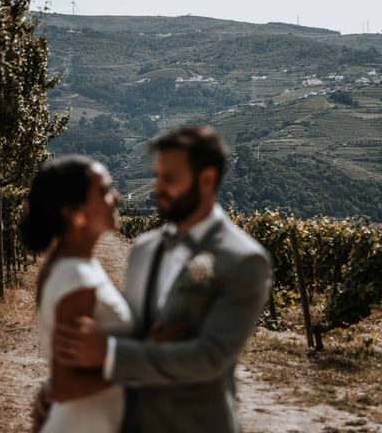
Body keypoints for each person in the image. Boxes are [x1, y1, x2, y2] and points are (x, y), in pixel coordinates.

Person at [51, 127, 273, 432]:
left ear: (207, 180)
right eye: (157, 177)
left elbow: (207, 358)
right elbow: (135, 333)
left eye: (169, 179)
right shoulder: (145, 247)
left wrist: (110, 352)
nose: (157, 188)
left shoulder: (244, 260)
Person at [22, 155, 133, 433]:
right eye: (104, 191)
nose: (116, 198)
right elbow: (66, 384)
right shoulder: (76, 277)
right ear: (74, 212)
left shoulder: (71, 265)